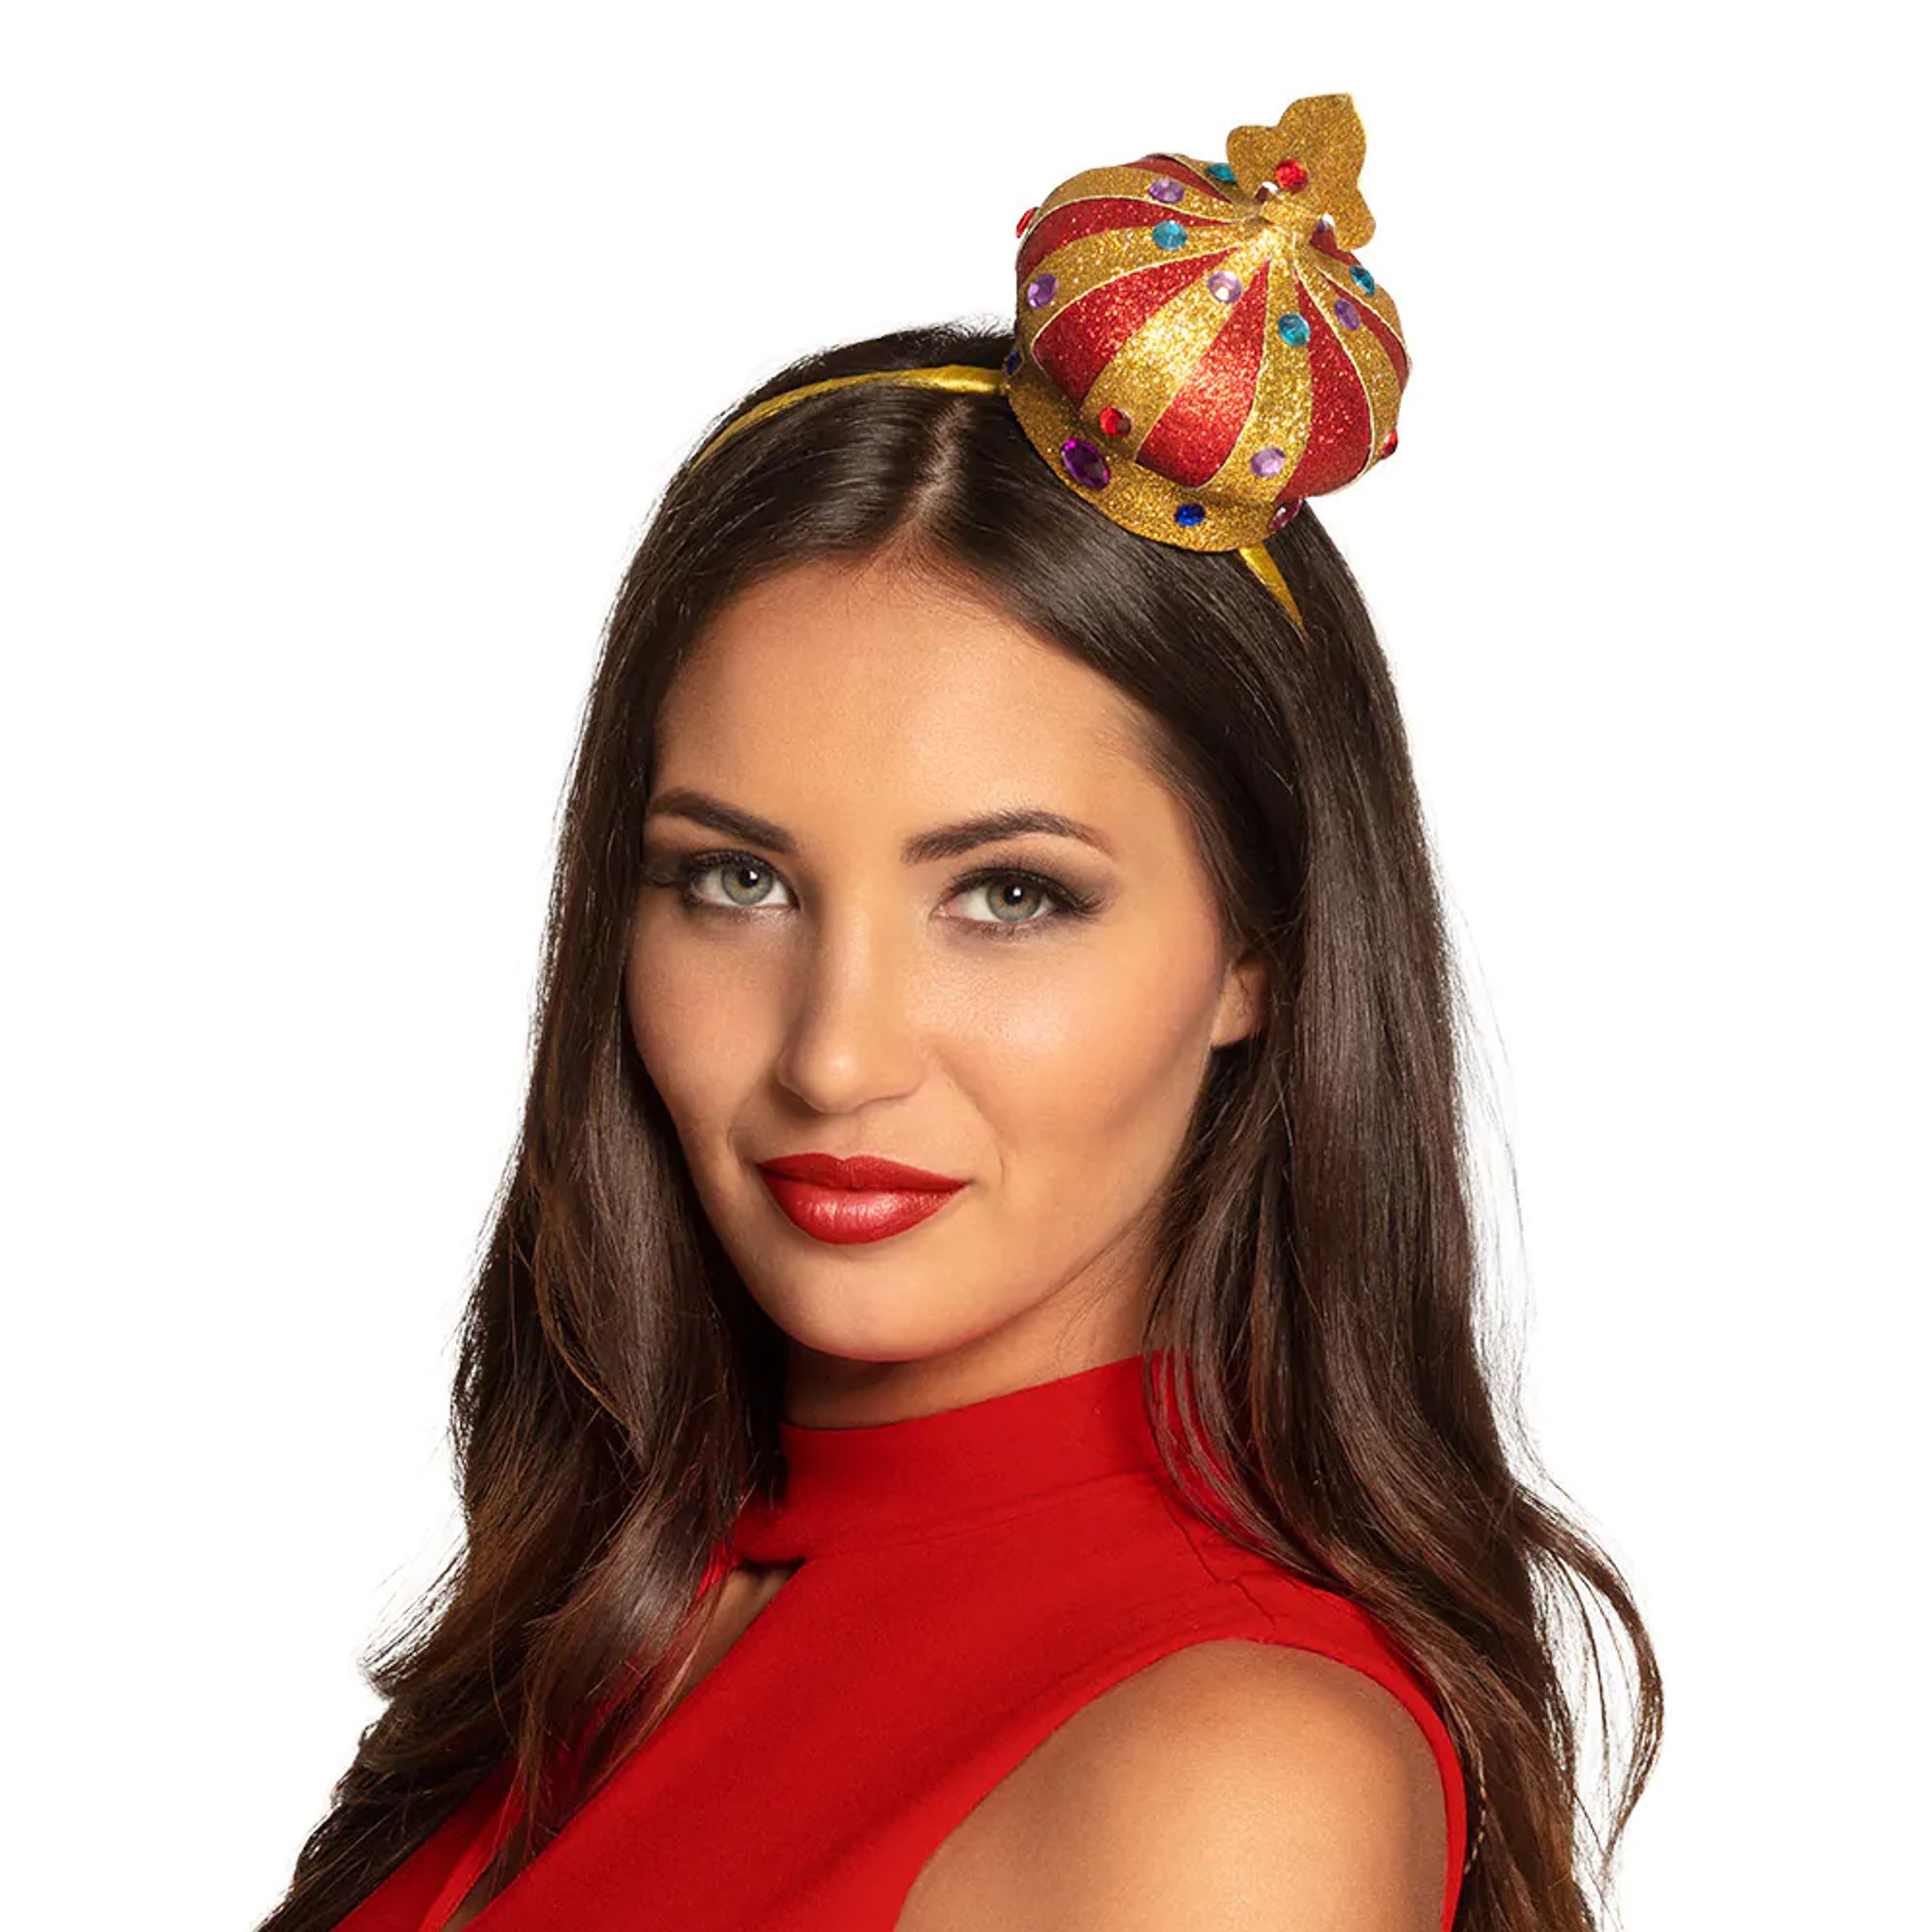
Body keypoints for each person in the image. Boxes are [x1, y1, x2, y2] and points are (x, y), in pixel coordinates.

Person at [259, 93, 1661, 1932]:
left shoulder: (1226, 1779)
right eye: (735, 880)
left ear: (1263, 948)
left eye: (1009, 896)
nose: (835, 1055)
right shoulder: (601, 1621)